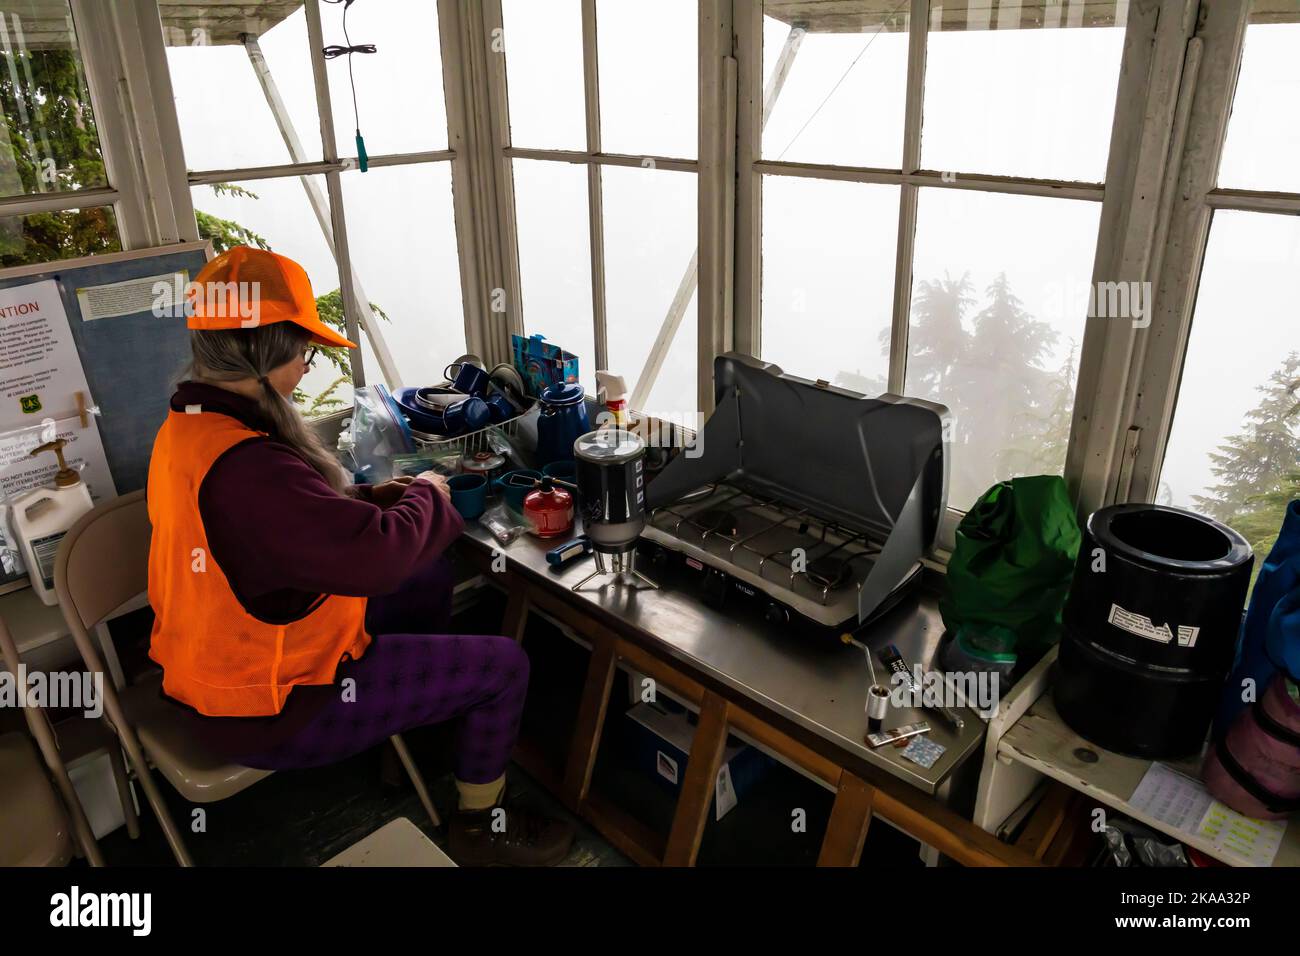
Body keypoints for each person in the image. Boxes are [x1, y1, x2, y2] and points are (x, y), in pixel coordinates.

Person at [146, 245, 573, 866]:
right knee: (504, 666)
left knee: (426, 572)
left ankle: (419, 727)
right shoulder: (249, 466)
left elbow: (290, 523)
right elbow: (374, 558)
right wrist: (427, 492)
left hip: (222, 668)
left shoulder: (192, 427)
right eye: (302, 351)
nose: (304, 366)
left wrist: (372, 496)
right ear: (266, 351)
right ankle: (482, 829)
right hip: (271, 704)